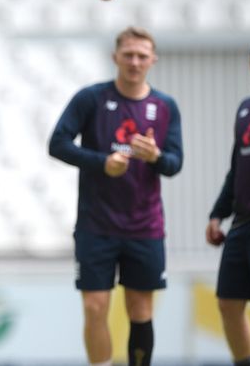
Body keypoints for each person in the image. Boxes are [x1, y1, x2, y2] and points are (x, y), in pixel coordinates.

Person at [48, 27, 183, 366]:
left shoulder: (165, 106)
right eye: (128, 55)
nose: (135, 62)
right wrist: (101, 163)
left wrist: (154, 156)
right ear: (115, 57)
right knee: (95, 308)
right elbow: (58, 144)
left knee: (140, 310)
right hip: (96, 225)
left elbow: (174, 163)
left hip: (145, 226)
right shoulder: (91, 98)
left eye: (142, 56)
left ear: (153, 59)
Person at [205, 35, 250, 366]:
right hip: (244, 221)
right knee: (228, 303)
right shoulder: (246, 108)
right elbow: (238, 168)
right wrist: (216, 214)